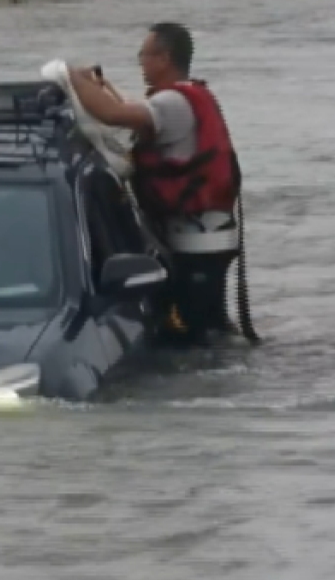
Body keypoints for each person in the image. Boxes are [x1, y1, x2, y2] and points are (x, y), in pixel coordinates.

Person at [66, 22, 242, 343]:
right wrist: (101, 87)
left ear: (163, 58)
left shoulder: (172, 103)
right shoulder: (185, 96)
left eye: (144, 56)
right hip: (205, 235)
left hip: (198, 241)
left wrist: (71, 77)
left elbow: (113, 115)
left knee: (195, 334)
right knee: (207, 324)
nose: (141, 63)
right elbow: (128, 113)